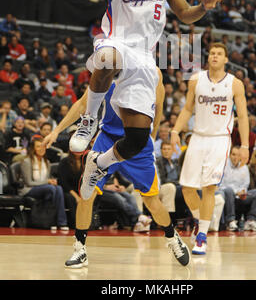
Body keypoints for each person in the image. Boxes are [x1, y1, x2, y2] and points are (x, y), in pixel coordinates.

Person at [69, 0, 222, 202]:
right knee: (107, 59)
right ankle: (89, 119)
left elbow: (186, 15)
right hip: (116, 42)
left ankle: (99, 164)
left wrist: (203, 7)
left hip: (144, 58)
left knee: (138, 139)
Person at [44, 69, 191, 268]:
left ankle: (172, 238)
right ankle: (80, 248)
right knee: (86, 195)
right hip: (107, 139)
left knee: (151, 200)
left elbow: (158, 106)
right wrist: (56, 131)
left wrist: (152, 135)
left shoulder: (152, 71)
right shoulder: (109, 67)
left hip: (137, 143)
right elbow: (81, 103)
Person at [171, 42, 250, 255]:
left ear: (226, 59)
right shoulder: (196, 80)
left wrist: (244, 145)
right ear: (208, 58)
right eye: (212, 53)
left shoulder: (235, 84)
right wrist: (175, 131)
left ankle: (202, 235)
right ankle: (200, 220)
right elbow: (188, 109)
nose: (215, 56)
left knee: (208, 187)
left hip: (219, 139)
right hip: (197, 137)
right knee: (187, 188)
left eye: (219, 54)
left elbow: (242, 116)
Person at [19, 136, 69, 231]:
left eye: (43, 146)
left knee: (58, 188)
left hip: (44, 189)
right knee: (51, 189)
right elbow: (29, 182)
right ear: (33, 148)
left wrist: (51, 181)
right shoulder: (27, 161)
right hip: (28, 189)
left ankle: (62, 222)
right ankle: (54, 221)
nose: (41, 149)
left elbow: (47, 180)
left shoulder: (47, 162)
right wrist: (47, 182)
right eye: (38, 146)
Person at [219, 146, 256, 231]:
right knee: (229, 191)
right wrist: (236, 192)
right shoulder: (223, 166)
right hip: (228, 195)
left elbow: (246, 184)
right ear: (229, 155)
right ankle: (231, 221)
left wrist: (242, 192)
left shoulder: (244, 167)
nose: (236, 157)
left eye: (238, 155)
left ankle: (251, 220)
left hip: (241, 196)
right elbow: (221, 185)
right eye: (233, 154)